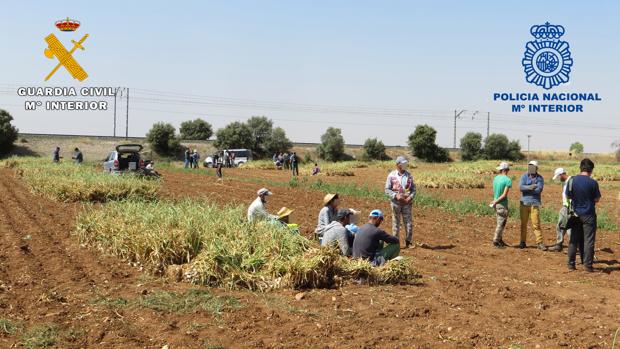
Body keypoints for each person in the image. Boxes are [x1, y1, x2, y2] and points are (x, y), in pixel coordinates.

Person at [566, 158, 601, 272]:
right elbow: (597, 199)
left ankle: (571, 265)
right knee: (588, 241)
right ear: (591, 170)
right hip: (589, 215)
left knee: (573, 240)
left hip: (575, 214)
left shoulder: (572, 180)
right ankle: (587, 266)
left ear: (580, 168)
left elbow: (568, 196)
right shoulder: (593, 182)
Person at [384, 156, 416, 248]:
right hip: (396, 203)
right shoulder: (391, 175)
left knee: (408, 222)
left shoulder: (409, 175)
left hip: (407, 203)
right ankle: (395, 243)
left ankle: (408, 242)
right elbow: (387, 189)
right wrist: (395, 195)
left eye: (406, 163)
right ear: (398, 165)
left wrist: (411, 197)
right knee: (396, 223)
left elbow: (413, 189)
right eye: (403, 163)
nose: (405, 165)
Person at [519, 160, 547, 251]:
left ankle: (539, 242)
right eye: (529, 166)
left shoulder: (540, 178)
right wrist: (531, 187)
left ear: (536, 168)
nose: (530, 168)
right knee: (523, 224)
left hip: (534, 204)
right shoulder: (524, 176)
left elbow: (538, 190)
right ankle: (522, 242)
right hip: (524, 203)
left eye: (532, 166)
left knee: (536, 224)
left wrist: (526, 188)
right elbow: (520, 187)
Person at [489, 162, 512, 248]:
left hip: (495, 203)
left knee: (499, 222)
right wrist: (496, 201)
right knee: (501, 224)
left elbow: (496, 191)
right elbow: (504, 195)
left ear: (500, 169)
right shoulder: (507, 180)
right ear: (506, 170)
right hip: (502, 204)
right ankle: (495, 241)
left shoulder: (495, 178)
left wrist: (495, 201)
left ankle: (500, 240)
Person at [550, 168, 572, 252]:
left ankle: (572, 246)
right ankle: (559, 244)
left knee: (570, 228)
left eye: (558, 177)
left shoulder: (571, 181)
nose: (558, 179)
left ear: (561, 174)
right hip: (565, 206)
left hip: (570, 207)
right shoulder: (564, 183)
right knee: (560, 225)